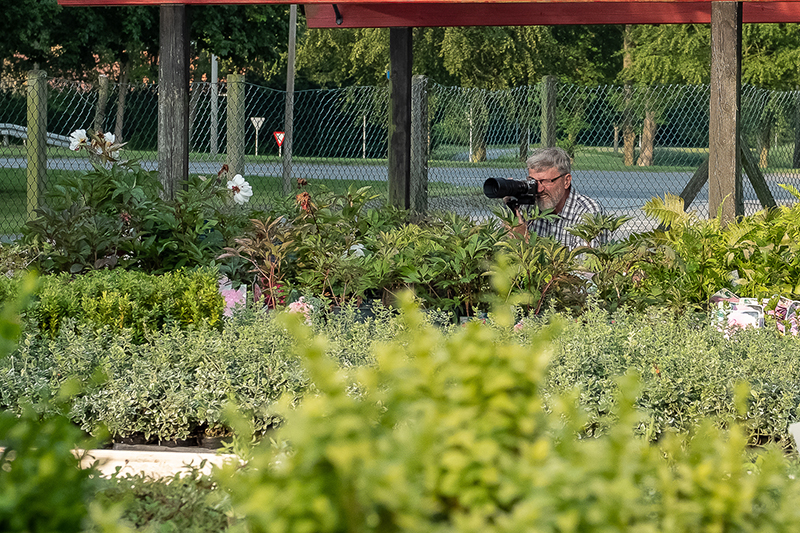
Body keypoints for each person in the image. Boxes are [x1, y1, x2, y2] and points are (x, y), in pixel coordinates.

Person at [508, 147, 606, 249]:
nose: (539, 189)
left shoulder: (587, 211)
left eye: (546, 181)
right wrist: (510, 209)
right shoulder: (529, 206)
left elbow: (584, 263)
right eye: (533, 181)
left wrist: (524, 237)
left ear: (566, 181)